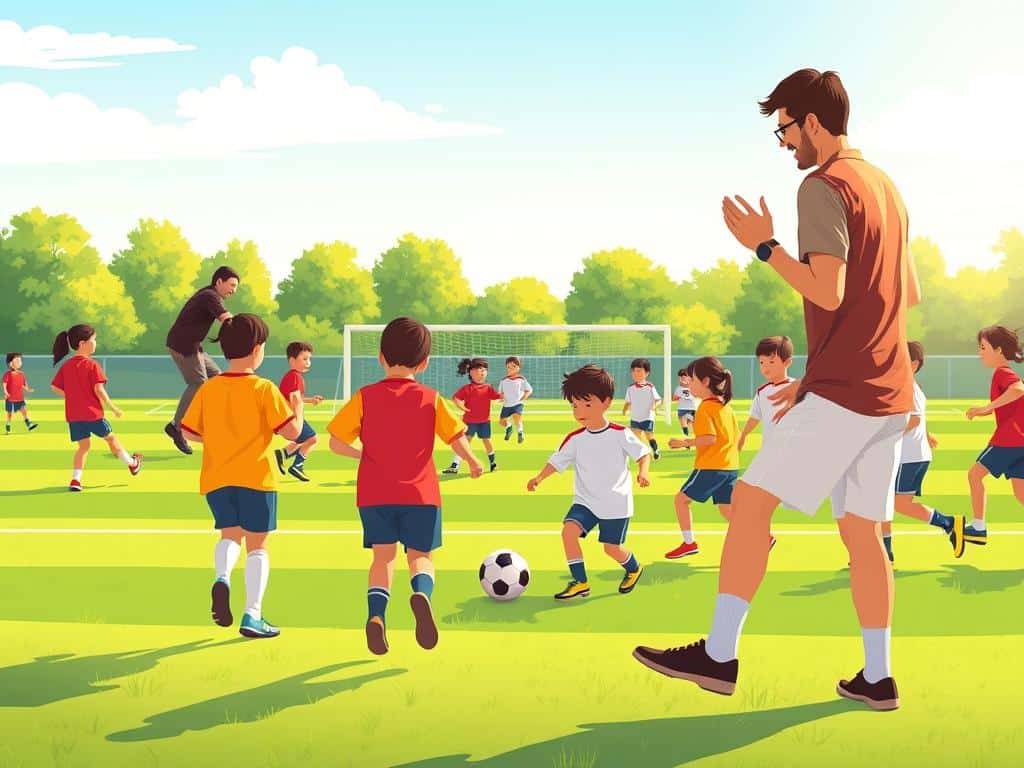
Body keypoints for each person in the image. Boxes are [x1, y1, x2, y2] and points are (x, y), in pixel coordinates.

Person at [634, 68, 919, 711]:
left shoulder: (824, 187)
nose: (784, 143)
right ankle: (878, 676)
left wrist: (761, 245)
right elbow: (902, 296)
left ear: (812, 122)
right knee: (863, 532)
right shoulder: (887, 187)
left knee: (752, 502)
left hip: (849, 393)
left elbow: (829, 291)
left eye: (785, 129)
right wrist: (813, 378)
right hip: (889, 393)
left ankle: (719, 654)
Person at [328, 317, 483, 656]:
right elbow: (456, 437)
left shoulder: (365, 397)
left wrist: (364, 454)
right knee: (420, 557)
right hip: (421, 495)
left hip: (375, 493)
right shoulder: (431, 398)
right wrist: (472, 462)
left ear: (381, 357)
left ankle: (376, 617)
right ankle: (421, 595)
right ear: (424, 362)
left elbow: (335, 443)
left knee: (382, 559)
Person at [180, 314, 301, 639]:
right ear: (257, 349)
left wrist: (219, 440)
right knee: (258, 546)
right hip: (256, 476)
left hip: (217, 478)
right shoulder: (264, 388)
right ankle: (253, 614)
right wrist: (299, 407)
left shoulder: (210, 388)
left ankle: (222, 577)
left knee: (229, 535)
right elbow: (293, 431)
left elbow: (189, 433)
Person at [527, 364, 651, 600]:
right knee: (568, 533)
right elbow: (557, 461)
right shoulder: (575, 438)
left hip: (615, 503)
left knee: (611, 548)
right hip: (585, 502)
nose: (579, 411)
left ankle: (634, 568)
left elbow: (643, 453)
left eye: (586, 404)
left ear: (605, 401)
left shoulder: (619, 433)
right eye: (575, 405)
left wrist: (643, 472)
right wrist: (539, 478)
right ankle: (580, 582)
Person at [882, 341, 958, 562]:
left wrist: (889, 435)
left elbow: (914, 419)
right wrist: (927, 434)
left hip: (909, 457)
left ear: (914, 364)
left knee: (895, 504)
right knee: (885, 502)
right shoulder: (909, 385)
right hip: (912, 455)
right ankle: (886, 553)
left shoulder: (908, 386)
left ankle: (949, 523)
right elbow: (919, 419)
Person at [663, 357, 741, 559]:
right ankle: (762, 536)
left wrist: (683, 443)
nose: (689, 384)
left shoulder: (705, 407)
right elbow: (736, 437)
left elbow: (709, 438)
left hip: (711, 467)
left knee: (681, 500)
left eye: (693, 380)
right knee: (726, 509)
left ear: (705, 381)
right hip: (730, 467)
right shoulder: (726, 407)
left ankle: (689, 543)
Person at [50, 325, 142, 491]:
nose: (95, 343)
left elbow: (55, 388)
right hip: (93, 415)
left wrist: (72, 397)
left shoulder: (67, 365)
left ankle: (75, 480)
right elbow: (99, 390)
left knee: (83, 447)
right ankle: (132, 463)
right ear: (83, 343)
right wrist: (113, 408)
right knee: (111, 439)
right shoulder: (92, 365)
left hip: (74, 416)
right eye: (94, 340)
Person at [962, 325, 1024, 553]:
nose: (980, 353)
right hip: (1021, 441)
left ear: (998, 350)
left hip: (1009, 439)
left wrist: (987, 408)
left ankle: (978, 527)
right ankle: (978, 526)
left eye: (983, 348)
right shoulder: (1003, 373)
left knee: (974, 474)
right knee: (1021, 492)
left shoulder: (1002, 372)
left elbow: (1019, 389)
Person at [164, 266, 238, 454]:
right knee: (198, 382)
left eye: (236, 287)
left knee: (217, 378)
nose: (234, 290)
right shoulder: (210, 296)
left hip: (194, 345)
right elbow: (226, 319)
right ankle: (176, 426)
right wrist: (248, 329)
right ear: (219, 282)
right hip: (184, 345)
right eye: (232, 285)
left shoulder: (210, 295)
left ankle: (209, 420)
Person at [274, 341, 325, 482]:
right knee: (313, 439)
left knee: (304, 439)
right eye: (304, 359)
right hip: (290, 419)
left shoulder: (293, 376)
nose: (308, 362)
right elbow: (295, 400)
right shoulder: (295, 377)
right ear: (292, 360)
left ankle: (283, 453)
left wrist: (310, 400)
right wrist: (298, 421)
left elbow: (296, 398)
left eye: (309, 359)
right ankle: (297, 466)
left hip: (287, 418)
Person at [737, 336, 797, 455]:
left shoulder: (798, 389)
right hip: (769, 451)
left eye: (771, 362)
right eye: (761, 362)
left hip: (792, 450)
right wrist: (743, 435)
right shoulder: (762, 392)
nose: (765, 367)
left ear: (787, 362)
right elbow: (755, 416)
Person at [443, 357, 502, 474]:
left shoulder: (488, 387)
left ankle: (493, 464)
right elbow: (456, 398)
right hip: (470, 422)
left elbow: (497, 396)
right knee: (465, 443)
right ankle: (454, 466)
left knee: (487, 441)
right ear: (471, 372)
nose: (483, 372)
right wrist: (461, 406)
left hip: (485, 421)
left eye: (484, 369)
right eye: (480, 369)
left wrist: (508, 395)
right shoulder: (468, 388)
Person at [623, 358, 663, 459]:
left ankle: (655, 449)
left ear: (647, 373)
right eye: (633, 371)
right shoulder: (630, 388)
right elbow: (628, 401)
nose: (636, 374)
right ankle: (644, 454)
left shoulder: (650, 387)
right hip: (635, 417)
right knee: (636, 437)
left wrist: (654, 406)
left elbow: (658, 400)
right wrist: (625, 409)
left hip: (647, 417)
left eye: (639, 371)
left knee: (649, 435)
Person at [498, 356, 533, 443]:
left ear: (518, 367)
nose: (511, 369)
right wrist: (500, 398)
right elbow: (501, 393)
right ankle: (509, 427)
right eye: (508, 367)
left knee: (516, 418)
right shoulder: (503, 381)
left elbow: (529, 390)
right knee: (502, 421)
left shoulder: (521, 379)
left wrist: (524, 397)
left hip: (517, 404)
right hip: (507, 405)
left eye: (514, 366)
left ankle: (520, 433)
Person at [3, 352, 38, 433]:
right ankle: (8, 426)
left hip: (20, 398)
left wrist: (28, 389)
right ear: (10, 363)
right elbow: (4, 384)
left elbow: (22, 384)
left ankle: (29, 424)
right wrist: (6, 392)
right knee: (10, 414)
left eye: (20, 361)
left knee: (24, 411)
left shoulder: (21, 374)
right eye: (17, 361)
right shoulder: (8, 374)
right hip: (10, 398)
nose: (19, 362)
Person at [672, 369, 699, 436]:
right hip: (689, 408)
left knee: (685, 424)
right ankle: (687, 437)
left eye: (685, 377)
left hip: (686, 408)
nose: (683, 379)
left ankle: (686, 436)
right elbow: (674, 398)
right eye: (681, 377)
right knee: (687, 425)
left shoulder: (692, 387)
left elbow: (697, 395)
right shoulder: (679, 388)